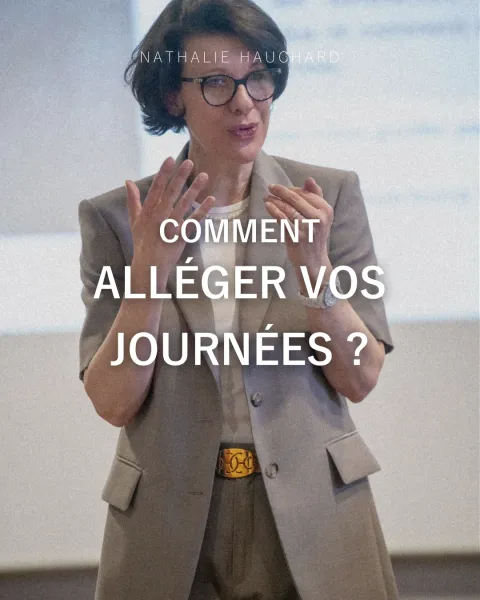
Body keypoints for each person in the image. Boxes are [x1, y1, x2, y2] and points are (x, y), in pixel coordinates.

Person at [78, 1, 399, 599]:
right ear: (173, 96)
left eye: (258, 77)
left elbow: (360, 378)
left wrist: (316, 272)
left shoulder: (325, 197)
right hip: (171, 516)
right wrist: (147, 272)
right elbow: (113, 401)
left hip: (314, 507)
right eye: (217, 83)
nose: (245, 102)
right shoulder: (118, 219)